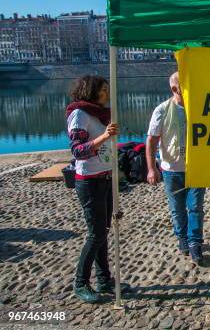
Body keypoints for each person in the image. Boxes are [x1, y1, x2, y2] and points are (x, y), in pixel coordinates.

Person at [66, 75, 130, 303]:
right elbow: (77, 150)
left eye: (108, 89)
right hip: (89, 180)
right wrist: (104, 136)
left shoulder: (102, 114)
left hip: (105, 178)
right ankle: (80, 283)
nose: (107, 93)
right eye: (103, 89)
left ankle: (104, 279)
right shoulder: (79, 114)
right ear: (92, 91)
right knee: (96, 234)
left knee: (103, 231)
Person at [146, 72, 205, 266]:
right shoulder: (162, 110)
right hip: (171, 170)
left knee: (195, 207)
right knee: (177, 209)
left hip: (196, 168)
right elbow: (152, 141)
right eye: (185, 85)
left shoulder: (199, 107)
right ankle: (182, 237)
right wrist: (151, 169)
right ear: (175, 89)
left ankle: (195, 242)